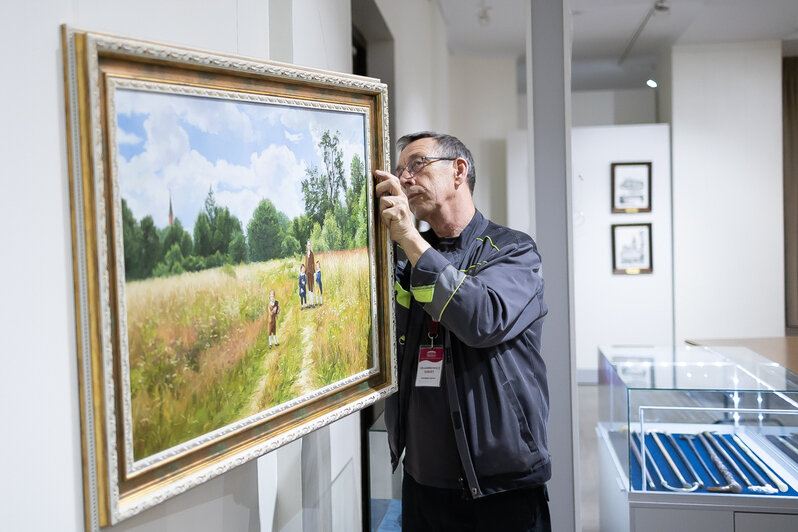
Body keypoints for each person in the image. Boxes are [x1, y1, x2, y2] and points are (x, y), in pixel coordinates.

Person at [375, 131, 550, 532]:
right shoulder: (404, 261)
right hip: (422, 485)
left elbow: (482, 319)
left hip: (501, 489)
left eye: (416, 164)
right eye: (400, 170)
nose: (404, 178)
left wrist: (409, 239)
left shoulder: (514, 251)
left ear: (459, 171)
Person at [305, 240, 316, 307]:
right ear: (307, 246)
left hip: (311, 273)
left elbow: (313, 263)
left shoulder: (312, 254)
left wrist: (314, 272)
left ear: (311, 246)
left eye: (309, 245)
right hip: (307, 273)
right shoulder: (306, 254)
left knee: (312, 287)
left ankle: (312, 303)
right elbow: (306, 264)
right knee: (308, 288)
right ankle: (310, 303)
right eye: (308, 245)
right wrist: (305, 272)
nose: (308, 246)